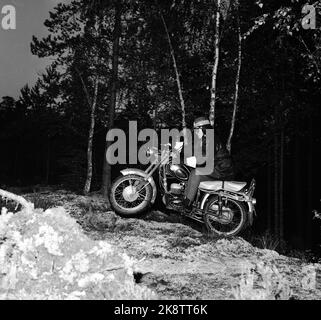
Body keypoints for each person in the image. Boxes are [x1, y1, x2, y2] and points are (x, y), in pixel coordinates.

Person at [182, 116, 235, 211]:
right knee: (192, 172)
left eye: (197, 129)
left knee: (196, 174)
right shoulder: (205, 138)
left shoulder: (211, 139)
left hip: (221, 170)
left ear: (203, 129)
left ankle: (187, 205)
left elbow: (203, 158)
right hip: (217, 168)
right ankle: (186, 198)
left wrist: (187, 160)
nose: (195, 132)